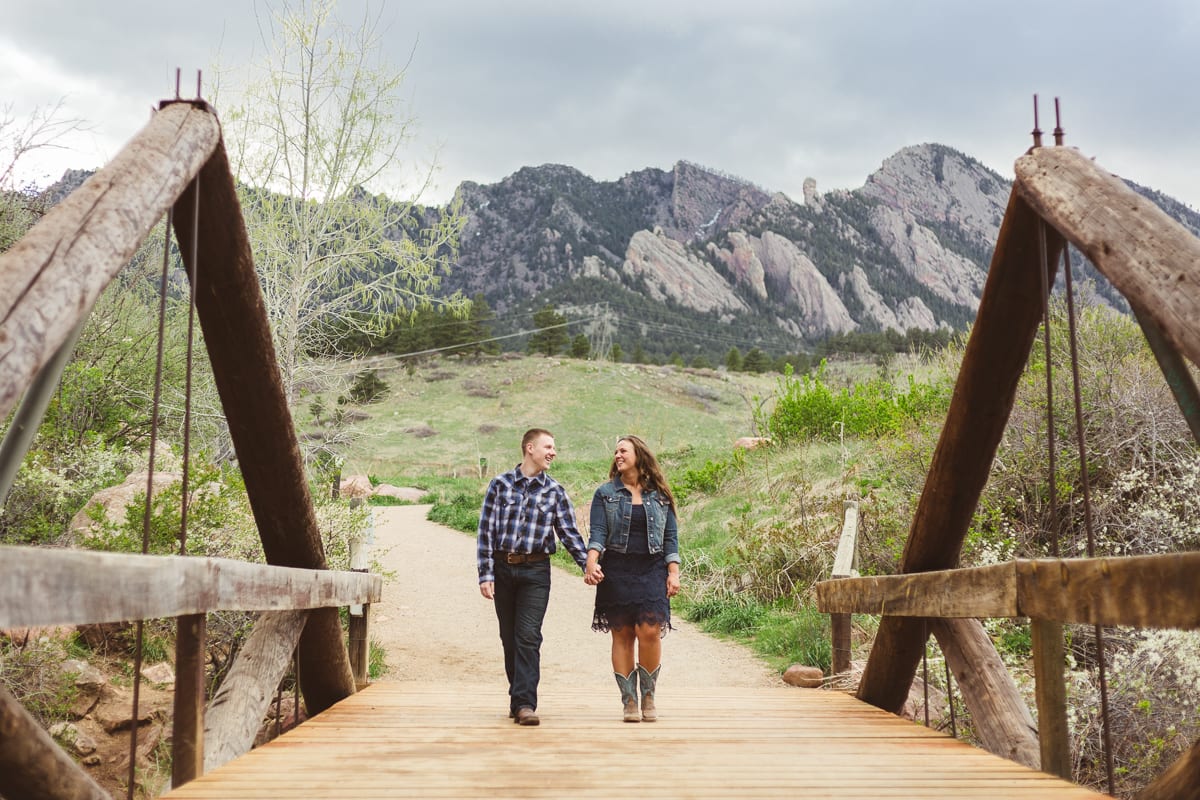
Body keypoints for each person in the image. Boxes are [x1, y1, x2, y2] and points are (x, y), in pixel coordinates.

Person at [477, 428, 589, 726]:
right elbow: (486, 533)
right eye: (548, 446)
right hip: (502, 568)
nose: (553, 452)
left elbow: (569, 533)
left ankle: (525, 703)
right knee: (509, 638)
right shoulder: (499, 485)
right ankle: (518, 697)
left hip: (536, 571)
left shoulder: (555, 491)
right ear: (530, 448)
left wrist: (588, 565)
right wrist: (485, 574)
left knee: (528, 636)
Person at [584, 434, 681, 722]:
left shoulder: (660, 495)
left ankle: (649, 696)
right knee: (623, 634)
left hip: (652, 568)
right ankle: (629, 700)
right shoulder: (605, 493)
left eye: (623, 450)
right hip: (617, 568)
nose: (617, 455)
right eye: (615, 452)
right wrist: (591, 562)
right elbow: (598, 533)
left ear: (639, 454)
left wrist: (673, 571)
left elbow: (671, 537)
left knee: (649, 629)